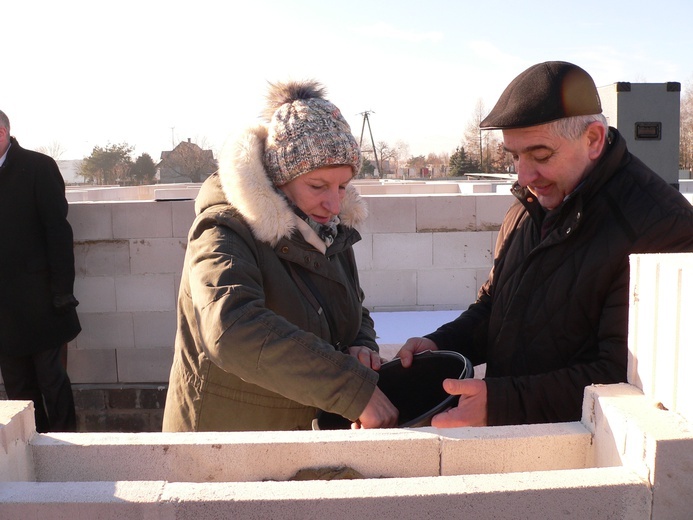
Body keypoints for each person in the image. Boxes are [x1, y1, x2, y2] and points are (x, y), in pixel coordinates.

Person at [398, 61, 693, 427]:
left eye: (540, 156)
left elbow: (627, 377)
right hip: (517, 440)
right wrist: (442, 345)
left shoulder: (661, 229)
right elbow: (496, 307)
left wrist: (503, 404)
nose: (523, 175)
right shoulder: (532, 204)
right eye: (515, 156)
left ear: (594, 139)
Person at [162, 80, 399, 432]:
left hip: (298, 432)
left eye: (342, 186)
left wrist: (361, 344)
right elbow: (231, 329)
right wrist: (350, 389)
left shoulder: (327, 228)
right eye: (318, 186)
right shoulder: (223, 229)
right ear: (279, 177)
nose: (334, 204)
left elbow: (351, 304)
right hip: (226, 447)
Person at [0, 110, 81, 433]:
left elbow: (58, 233)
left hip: (44, 302)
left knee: (52, 381)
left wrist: (63, 291)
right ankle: (34, 455)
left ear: (2, 133)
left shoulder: (38, 168)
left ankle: (67, 455)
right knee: (18, 389)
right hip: (4, 311)